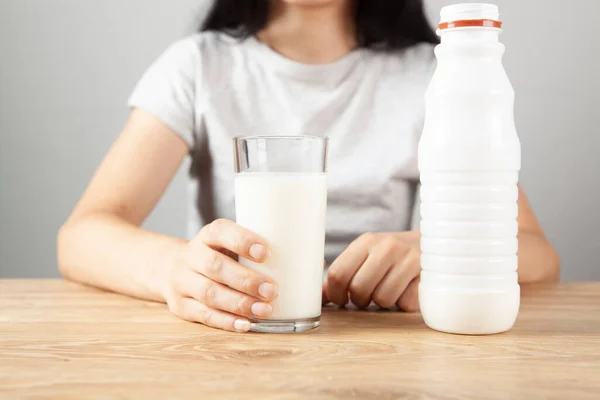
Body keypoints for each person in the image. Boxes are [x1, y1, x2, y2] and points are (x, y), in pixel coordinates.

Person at [57, 0, 560, 333]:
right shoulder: (199, 66)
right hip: (241, 335)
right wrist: (175, 270)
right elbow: (82, 236)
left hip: (382, 346)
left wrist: (444, 248)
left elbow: (539, 255)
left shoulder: (436, 74)